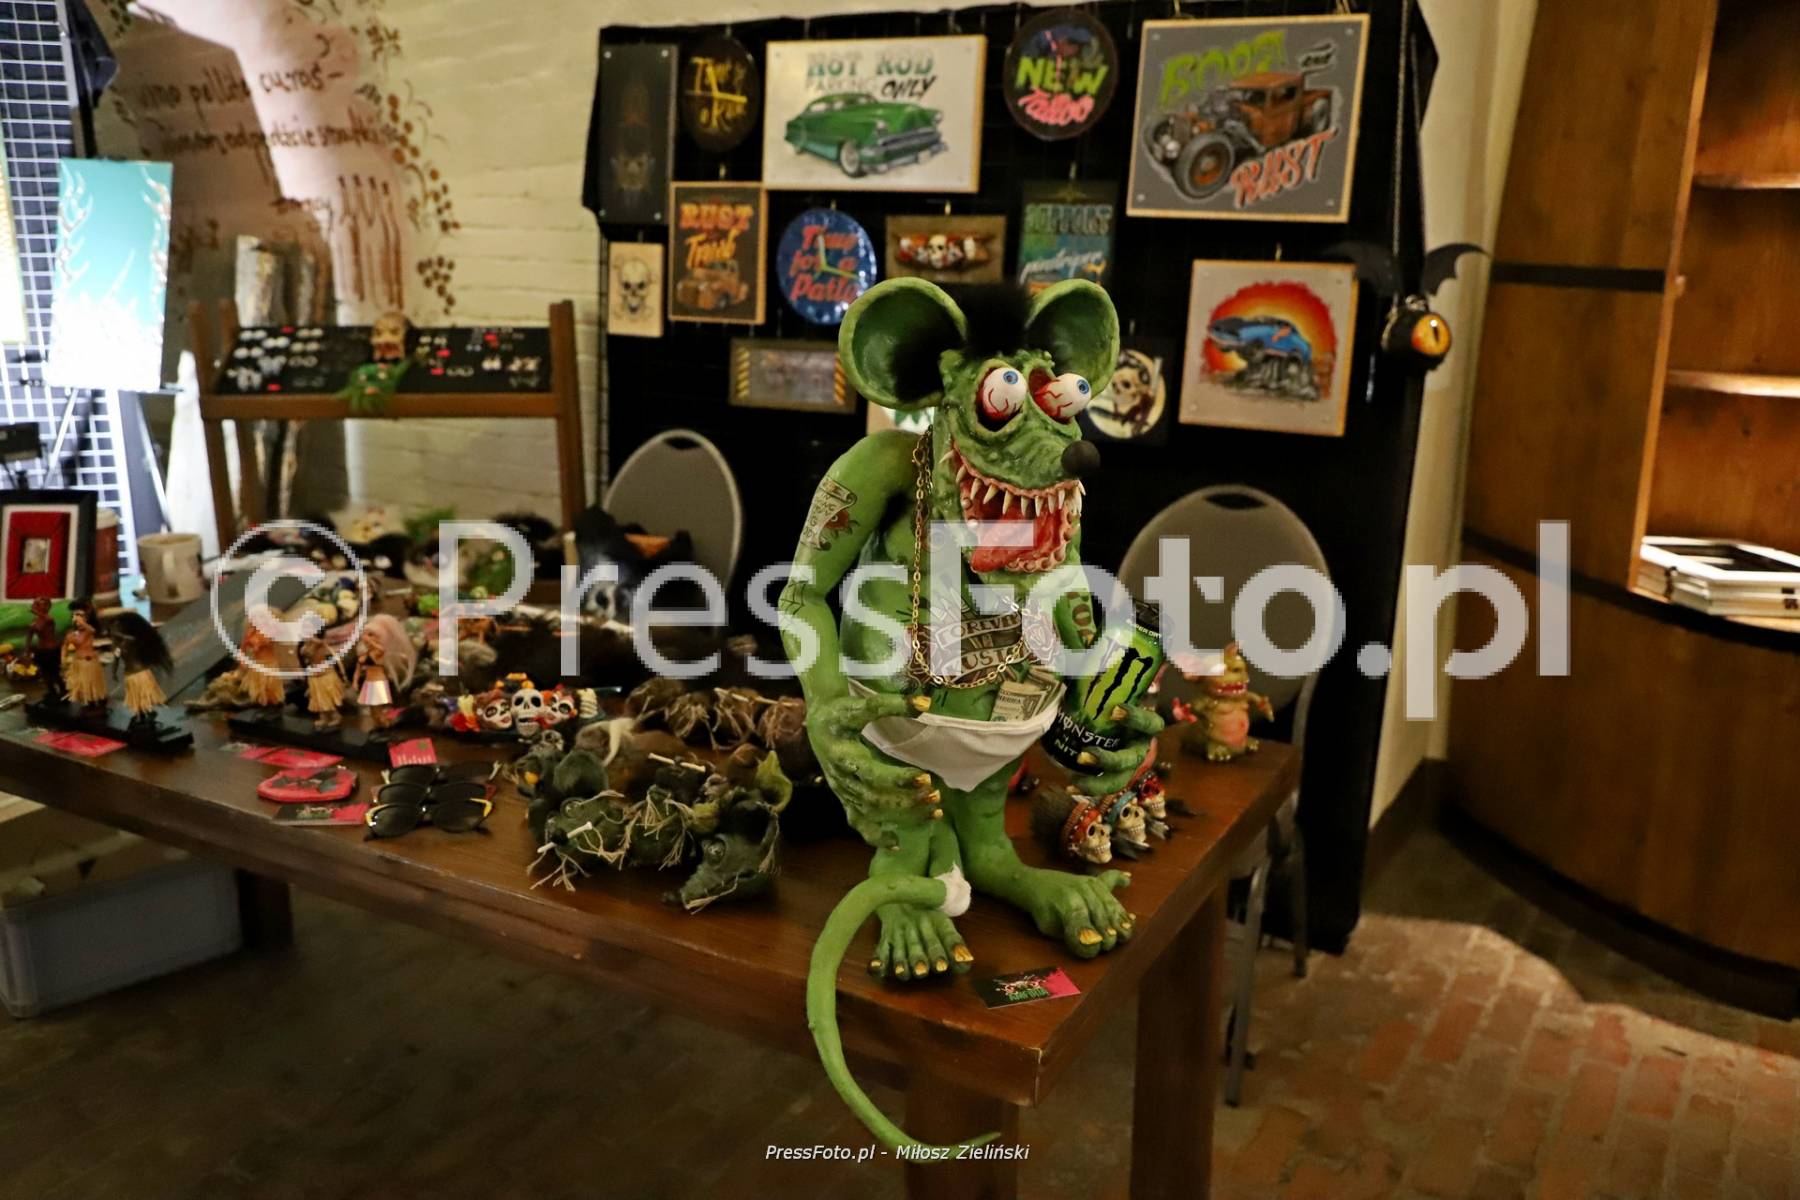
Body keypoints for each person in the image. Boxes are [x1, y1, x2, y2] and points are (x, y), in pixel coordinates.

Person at [60, 599, 107, 707]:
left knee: (93, 683)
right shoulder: (71, 635)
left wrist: (82, 621)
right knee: (84, 685)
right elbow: (64, 646)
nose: (79, 622)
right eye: (77, 620)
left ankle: (98, 701)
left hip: (90, 661)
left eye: (82, 619)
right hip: (79, 663)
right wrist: (63, 658)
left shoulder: (88, 632)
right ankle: (89, 703)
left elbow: (92, 630)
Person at [301, 633, 346, 730]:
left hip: (325, 674)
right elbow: (304, 653)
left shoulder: (320, 643)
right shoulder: (306, 644)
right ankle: (324, 718)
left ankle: (335, 716)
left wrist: (311, 638)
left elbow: (318, 644)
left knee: (327, 699)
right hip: (314, 675)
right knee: (319, 700)